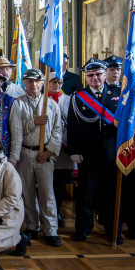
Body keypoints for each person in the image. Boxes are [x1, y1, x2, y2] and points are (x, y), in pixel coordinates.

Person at [65, 60, 121, 243]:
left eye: (98, 74)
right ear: (86, 77)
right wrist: (74, 150)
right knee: (85, 195)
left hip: (113, 153)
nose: (95, 78)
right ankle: (83, 228)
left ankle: (113, 229)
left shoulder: (118, 94)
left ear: (105, 74)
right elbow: (73, 127)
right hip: (88, 153)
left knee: (111, 194)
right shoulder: (78, 97)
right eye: (90, 75)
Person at [9, 68, 63, 246]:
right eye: (29, 81)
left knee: (47, 194)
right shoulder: (17, 103)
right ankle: (32, 225)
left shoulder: (51, 104)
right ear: (24, 83)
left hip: (44, 155)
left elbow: (57, 130)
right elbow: (16, 130)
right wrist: (34, 122)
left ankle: (51, 229)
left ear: (42, 83)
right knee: (28, 193)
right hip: (25, 153)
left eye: (37, 81)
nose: (33, 85)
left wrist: (50, 150)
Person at [49, 74, 73, 225]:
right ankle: (48, 213)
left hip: (64, 149)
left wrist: (64, 142)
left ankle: (57, 211)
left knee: (59, 184)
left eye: (59, 82)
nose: (57, 84)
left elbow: (73, 123)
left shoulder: (68, 99)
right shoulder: (43, 99)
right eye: (53, 81)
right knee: (48, 185)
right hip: (48, 148)